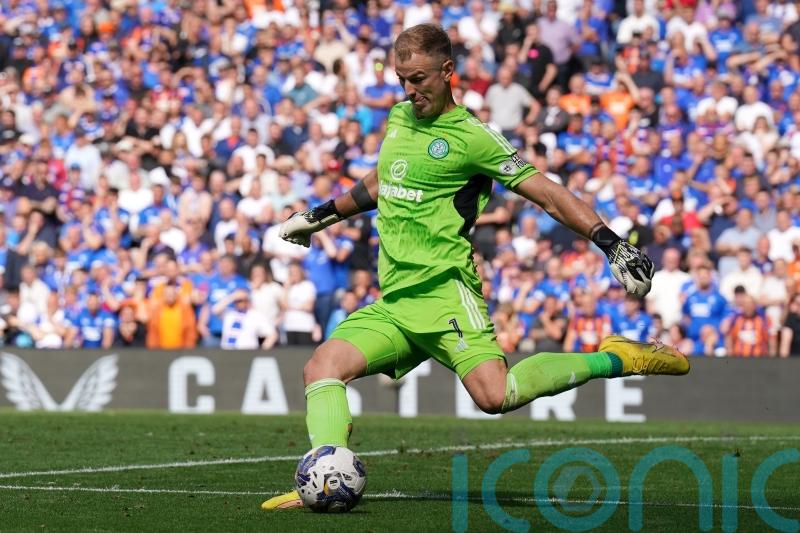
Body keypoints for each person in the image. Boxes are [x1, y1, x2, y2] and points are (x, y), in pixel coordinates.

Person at [262, 24, 688, 511]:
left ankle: (618, 358)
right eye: (402, 79)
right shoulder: (399, 119)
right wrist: (320, 216)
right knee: (322, 368)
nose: (409, 90)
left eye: (418, 78)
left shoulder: (472, 137)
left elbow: (546, 193)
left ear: (447, 71)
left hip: (446, 294)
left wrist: (609, 242)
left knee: (495, 395)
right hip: (397, 302)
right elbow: (382, 183)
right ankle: (323, 478)